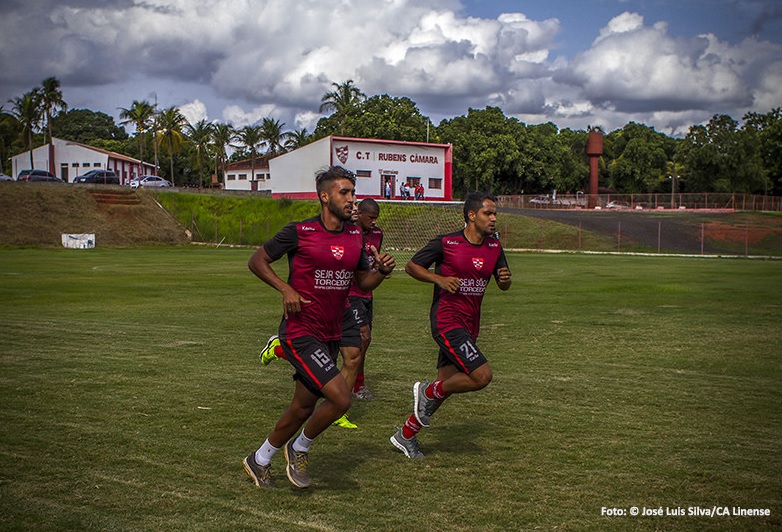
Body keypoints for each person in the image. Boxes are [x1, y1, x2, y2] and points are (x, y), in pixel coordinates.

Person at [243, 166, 395, 489]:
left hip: (332, 332)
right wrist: (285, 289)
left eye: (353, 192)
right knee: (341, 398)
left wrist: (380, 271)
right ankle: (299, 448)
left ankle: (259, 460)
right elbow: (257, 260)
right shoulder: (300, 232)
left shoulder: (356, 236)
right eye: (345, 192)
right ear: (324, 196)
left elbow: (362, 283)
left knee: (302, 407)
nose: (352, 199)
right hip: (301, 331)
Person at [389, 191, 512, 459]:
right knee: (482, 376)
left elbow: (503, 283)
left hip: (470, 325)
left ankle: (405, 435)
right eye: (488, 213)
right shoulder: (447, 243)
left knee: (446, 387)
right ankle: (426, 390)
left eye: (495, 214)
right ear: (471, 215)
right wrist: (439, 280)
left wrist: (504, 279)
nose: (493, 219)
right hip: (447, 321)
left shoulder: (494, 247)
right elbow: (411, 266)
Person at [341, 198, 384, 403]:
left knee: (364, 343)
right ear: (362, 215)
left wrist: (379, 268)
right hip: (350, 293)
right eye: (371, 218)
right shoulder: (349, 232)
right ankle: (354, 385)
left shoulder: (377, 234)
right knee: (363, 338)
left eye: (376, 218)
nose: (374, 222)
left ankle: (354, 382)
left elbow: (371, 262)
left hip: (368, 293)